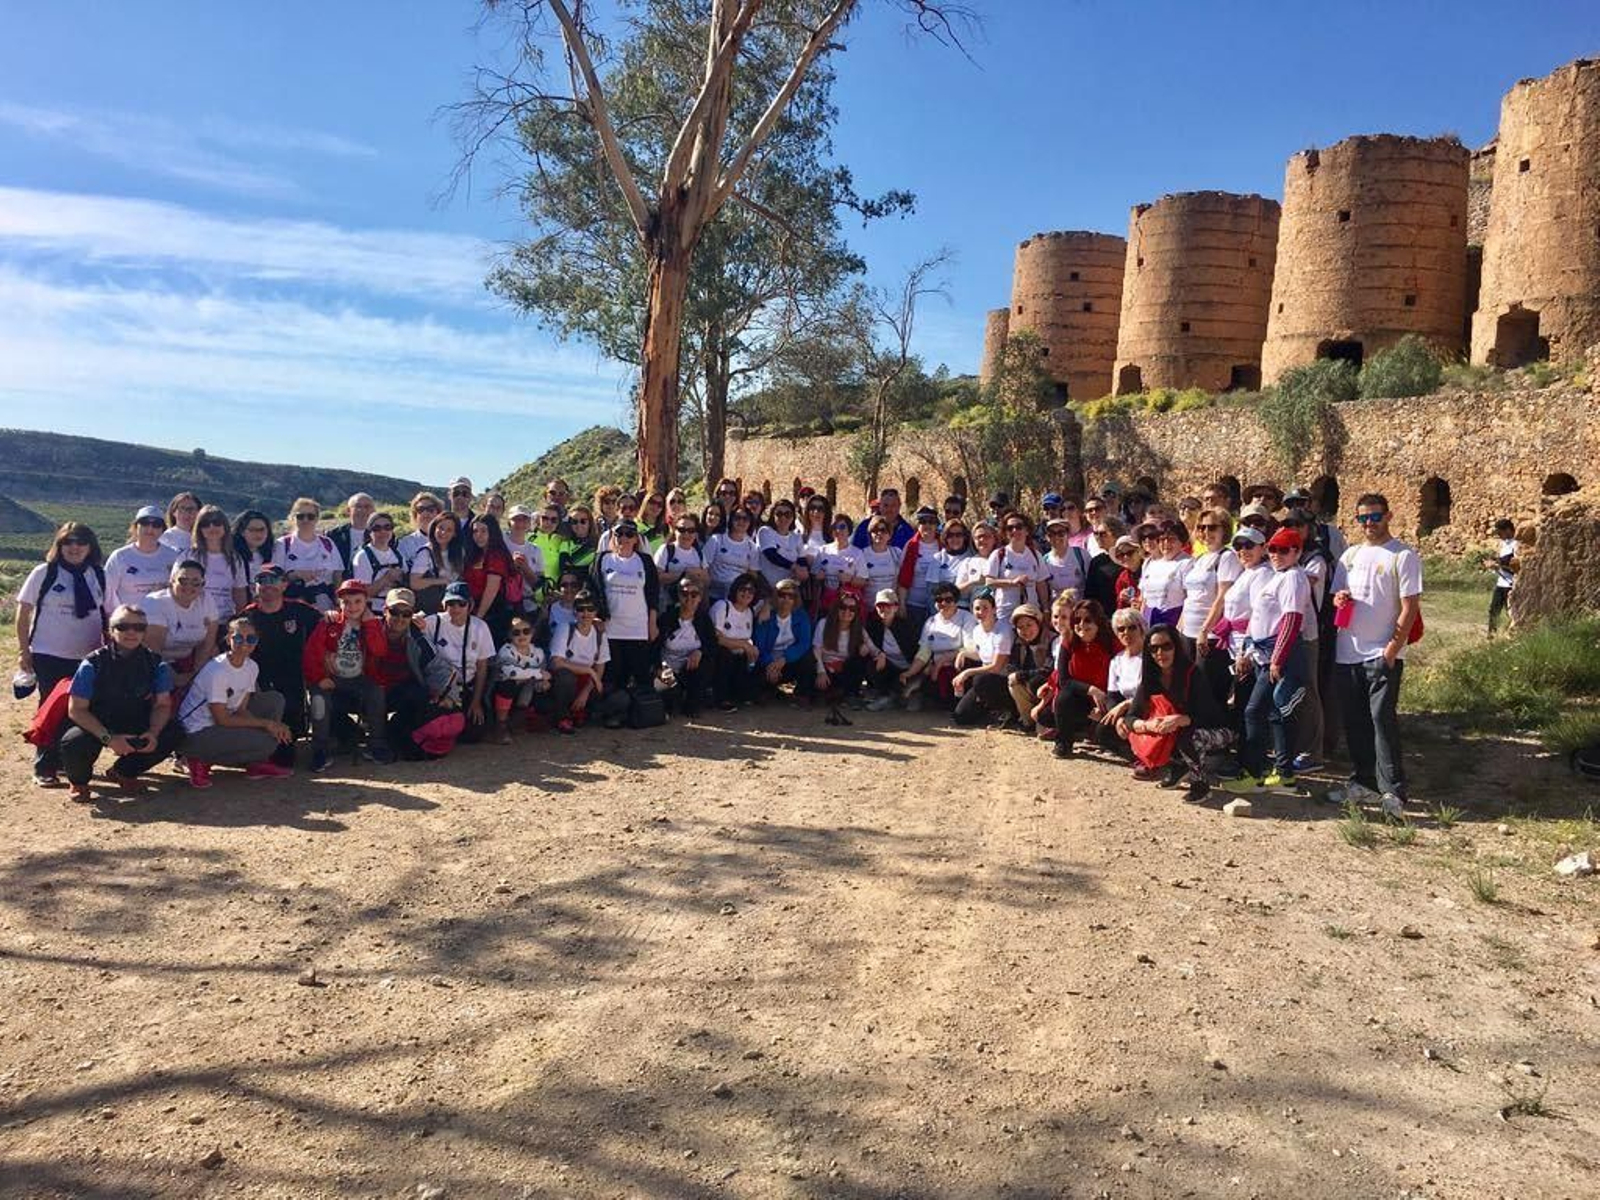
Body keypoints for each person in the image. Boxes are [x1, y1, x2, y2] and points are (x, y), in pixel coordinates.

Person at [1329, 494, 1422, 818]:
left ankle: (1393, 791)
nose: (1369, 524)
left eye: (1375, 517)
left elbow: (1410, 605)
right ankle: (1364, 780)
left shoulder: (1403, 555)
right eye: (1362, 518)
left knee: (1382, 722)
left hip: (1380, 652)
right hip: (1348, 652)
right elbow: (1336, 598)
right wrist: (1339, 599)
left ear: (1389, 515)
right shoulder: (1350, 556)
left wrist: (1393, 648)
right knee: (1355, 723)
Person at [56, 604, 182, 802]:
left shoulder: (157, 664)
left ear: (145, 632)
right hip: (99, 722)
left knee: (174, 732)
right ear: (111, 630)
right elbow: (77, 710)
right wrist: (109, 738)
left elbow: (162, 705)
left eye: (139, 627)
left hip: (135, 718)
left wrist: (154, 733)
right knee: (74, 741)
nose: (131, 632)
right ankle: (79, 782)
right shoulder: (91, 664)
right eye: (123, 626)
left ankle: (124, 772)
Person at [1224, 527, 1314, 795]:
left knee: (1268, 711)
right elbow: (1259, 619)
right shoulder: (1279, 577)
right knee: (1272, 713)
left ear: (1297, 552)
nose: (1276, 554)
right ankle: (1277, 773)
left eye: (1284, 550)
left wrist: (1277, 659)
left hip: (1280, 653)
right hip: (1266, 653)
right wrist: (1248, 651)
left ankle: (1261, 772)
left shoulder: (1293, 579)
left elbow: (1291, 620)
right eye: (1273, 549)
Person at [16, 522, 107, 787]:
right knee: (51, 708)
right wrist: (24, 651)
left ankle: (69, 760)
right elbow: (23, 614)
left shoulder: (98, 575)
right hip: (49, 653)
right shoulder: (44, 573)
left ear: (90, 546)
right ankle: (45, 764)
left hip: (88, 656)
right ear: (59, 545)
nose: (74, 547)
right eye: (68, 542)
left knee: (79, 709)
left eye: (81, 542)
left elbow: (106, 612)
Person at [177, 616, 295, 787]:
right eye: (238, 638)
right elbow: (222, 719)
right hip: (196, 732)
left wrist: (265, 726)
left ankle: (256, 763)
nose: (244, 643)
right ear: (228, 639)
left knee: (274, 700)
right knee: (267, 741)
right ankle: (197, 759)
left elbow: (241, 708)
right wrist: (267, 724)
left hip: (220, 723)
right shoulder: (218, 671)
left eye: (251, 639)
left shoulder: (251, 666)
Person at [1125, 624, 1235, 801]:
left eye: (1166, 646)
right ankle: (1178, 767)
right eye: (1154, 648)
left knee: (1188, 736)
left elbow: (1210, 715)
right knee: (1155, 729)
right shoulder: (1150, 680)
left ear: (1176, 646)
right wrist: (1146, 725)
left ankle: (1200, 785)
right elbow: (1131, 718)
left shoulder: (1192, 674)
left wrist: (1181, 719)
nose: (1160, 653)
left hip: (1215, 731)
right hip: (1178, 731)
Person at [302, 579, 392, 770]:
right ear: (339, 603)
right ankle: (320, 750)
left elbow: (380, 651)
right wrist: (319, 677)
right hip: (331, 678)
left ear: (366, 601)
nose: (352, 607)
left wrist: (370, 625)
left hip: (359, 679)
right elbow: (312, 653)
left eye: (358, 601)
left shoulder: (372, 623)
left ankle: (376, 744)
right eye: (347, 602)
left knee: (376, 691)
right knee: (318, 699)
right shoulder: (329, 623)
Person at [241, 564, 323, 768]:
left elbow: (325, 624)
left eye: (274, 580)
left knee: (287, 754)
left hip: (293, 679)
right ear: (255, 587)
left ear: (284, 584)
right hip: (259, 682)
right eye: (262, 581)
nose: (268, 585)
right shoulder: (247, 617)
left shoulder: (299, 609)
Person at [370, 588, 458, 758]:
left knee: (420, 695)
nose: (400, 618)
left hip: (400, 693)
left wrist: (447, 697)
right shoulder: (370, 630)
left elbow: (438, 668)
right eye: (395, 612)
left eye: (406, 613)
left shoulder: (417, 638)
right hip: (369, 689)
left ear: (412, 615)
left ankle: (392, 735)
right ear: (384, 611)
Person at [588, 519, 661, 706]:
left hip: (638, 627)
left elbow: (653, 594)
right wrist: (598, 618)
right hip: (611, 628)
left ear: (636, 538)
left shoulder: (644, 561)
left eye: (629, 534)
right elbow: (594, 591)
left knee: (640, 674)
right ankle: (613, 711)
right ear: (612, 536)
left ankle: (642, 711)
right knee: (613, 674)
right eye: (619, 534)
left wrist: (652, 623)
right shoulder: (602, 559)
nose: (624, 538)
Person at [422, 581, 495, 742]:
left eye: (461, 604)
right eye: (451, 603)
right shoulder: (433, 622)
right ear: (443, 604)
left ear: (470, 605)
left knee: (475, 733)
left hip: (466, 687)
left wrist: (476, 702)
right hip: (440, 688)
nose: (455, 609)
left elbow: (482, 667)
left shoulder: (480, 627)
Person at [1042, 597, 1115, 758]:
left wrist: (1104, 699)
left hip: (1107, 698)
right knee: (1060, 702)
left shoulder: (1111, 642)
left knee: (1106, 732)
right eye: (1077, 620)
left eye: (1088, 620)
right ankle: (1064, 743)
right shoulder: (1068, 641)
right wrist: (1092, 691)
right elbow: (1064, 680)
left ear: (1098, 621)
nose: (1081, 625)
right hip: (1083, 698)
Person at [144, 559, 220, 690]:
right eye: (183, 581)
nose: (189, 586)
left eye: (196, 583)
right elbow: (153, 651)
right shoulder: (156, 603)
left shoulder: (207, 599)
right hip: (156, 662)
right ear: (172, 580)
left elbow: (208, 644)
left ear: (203, 585)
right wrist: (175, 679)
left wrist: (195, 675)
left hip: (189, 661)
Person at [901, 582, 973, 708]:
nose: (943, 604)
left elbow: (969, 648)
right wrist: (910, 672)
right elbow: (924, 652)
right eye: (939, 600)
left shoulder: (966, 618)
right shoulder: (931, 621)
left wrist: (941, 662)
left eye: (948, 600)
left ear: (956, 601)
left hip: (957, 664)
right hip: (934, 666)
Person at [548, 590, 611, 734]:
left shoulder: (600, 633)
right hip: (567, 682)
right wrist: (589, 671)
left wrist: (586, 692)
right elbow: (556, 663)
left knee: (620, 698)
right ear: (574, 612)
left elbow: (600, 667)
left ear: (596, 612)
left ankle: (584, 713)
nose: (586, 613)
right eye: (581, 609)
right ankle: (563, 717)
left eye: (590, 609)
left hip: (587, 683)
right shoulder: (565, 628)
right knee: (565, 676)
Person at [951, 589, 1014, 726]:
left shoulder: (1003, 630)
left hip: (1003, 680)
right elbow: (981, 654)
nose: (981, 612)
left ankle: (1006, 711)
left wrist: (967, 673)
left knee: (980, 679)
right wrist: (963, 653)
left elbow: (996, 667)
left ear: (994, 609)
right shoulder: (977, 630)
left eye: (985, 608)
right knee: (960, 717)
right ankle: (988, 710)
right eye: (977, 608)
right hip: (986, 678)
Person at [657, 578, 716, 717]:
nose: (689, 598)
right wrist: (659, 668)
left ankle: (692, 706)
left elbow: (712, 645)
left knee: (706, 664)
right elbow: (653, 648)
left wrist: (700, 652)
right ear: (678, 596)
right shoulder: (666, 618)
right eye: (684, 594)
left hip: (690, 669)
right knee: (667, 699)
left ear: (700, 598)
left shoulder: (703, 620)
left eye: (694, 594)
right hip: (666, 668)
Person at [104, 506, 182, 611]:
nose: (150, 529)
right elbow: (108, 592)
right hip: (129, 622)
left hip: (163, 620)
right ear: (136, 527)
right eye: (145, 523)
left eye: (156, 525)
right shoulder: (120, 557)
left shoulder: (173, 556)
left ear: (163, 529)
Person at [754, 579, 816, 701]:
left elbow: (804, 643)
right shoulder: (766, 615)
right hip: (768, 661)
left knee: (808, 658)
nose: (786, 599)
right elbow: (759, 645)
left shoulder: (801, 616)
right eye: (782, 595)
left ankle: (802, 693)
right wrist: (770, 663)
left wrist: (785, 658)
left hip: (789, 660)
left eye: (791, 596)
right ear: (776, 596)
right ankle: (769, 690)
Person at [490, 616, 550, 743]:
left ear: (532, 632)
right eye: (516, 632)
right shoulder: (506, 651)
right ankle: (501, 725)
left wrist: (543, 682)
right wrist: (539, 674)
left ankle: (521, 718)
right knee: (508, 684)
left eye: (526, 631)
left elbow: (543, 675)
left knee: (545, 688)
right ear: (510, 635)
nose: (522, 635)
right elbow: (512, 673)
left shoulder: (539, 652)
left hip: (526, 693)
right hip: (502, 692)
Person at [276, 498, 342, 612]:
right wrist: (295, 575)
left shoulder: (327, 543)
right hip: (294, 604)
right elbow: (275, 577)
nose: (305, 520)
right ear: (292, 518)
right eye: (300, 516)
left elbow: (337, 574)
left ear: (317, 519)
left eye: (310, 516)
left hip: (325, 604)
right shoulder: (282, 544)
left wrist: (339, 601)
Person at [813, 592, 871, 720]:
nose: (847, 611)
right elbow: (816, 649)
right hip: (824, 668)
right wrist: (821, 671)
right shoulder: (823, 624)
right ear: (836, 608)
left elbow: (873, 648)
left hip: (843, 670)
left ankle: (850, 694)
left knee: (861, 658)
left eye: (852, 609)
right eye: (843, 607)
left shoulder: (858, 629)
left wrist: (879, 654)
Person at [709, 572, 761, 710]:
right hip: (720, 654)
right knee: (724, 655)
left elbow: (746, 638)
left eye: (751, 590)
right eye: (742, 589)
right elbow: (717, 638)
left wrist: (750, 648)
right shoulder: (722, 606)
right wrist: (744, 645)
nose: (746, 593)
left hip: (740, 655)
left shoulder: (749, 612)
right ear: (735, 589)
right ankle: (721, 699)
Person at [463, 514, 516, 646]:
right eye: (475, 531)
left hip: (493, 614)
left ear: (492, 532)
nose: (478, 535)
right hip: (473, 609)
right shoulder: (477, 554)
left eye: (483, 531)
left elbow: (491, 590)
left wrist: (478, 619)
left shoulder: (496, 555)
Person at [861, 588, 918, 710]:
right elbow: (868, 646)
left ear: (896, 607)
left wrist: (911, 672)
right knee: (870, 663)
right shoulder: (872, 626)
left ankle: (905, 695)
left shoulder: (907, 626)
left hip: (909, 669)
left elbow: (918, 652)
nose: (883, 609)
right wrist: (879, 654)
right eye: (880, 605)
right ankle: (883, 695)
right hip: (889, 666)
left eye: (888, 605)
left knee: (908, 700)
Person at [190, 505, 248, 621]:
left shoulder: (235, 559)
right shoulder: (189, 556)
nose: (212, 527)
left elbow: (239, 593)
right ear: (199, 529)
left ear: (225, 526)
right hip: (194, 621)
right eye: (206, 524)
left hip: (224, 621)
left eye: (217, 523)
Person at [1004, 602, 1053, 727]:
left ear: (1038, 623)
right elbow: (1011, 666)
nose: (1025, 630)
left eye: (1029, 625)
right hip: (1027, 688)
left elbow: (1048, 670)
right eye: (1020, 627)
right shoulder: (1019, 643)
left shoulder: (1051, 640)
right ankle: (1027, 721)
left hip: (1047, 690)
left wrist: (1022, 675)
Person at [897, 507, 944, 630]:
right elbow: (902, 577)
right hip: (914, 604)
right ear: (918, 525)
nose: (927, 525)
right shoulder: (911, 545)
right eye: (923, 521)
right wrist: (901, 604)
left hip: (938, 604)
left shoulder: (943, 545)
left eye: (931, 522)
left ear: (937, 525)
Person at [351, 511, 406, 614]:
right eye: (377, 528)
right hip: (373, 612)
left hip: (397, 611)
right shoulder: (362, 556)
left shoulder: (398, 554)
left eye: (387, 527)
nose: (383, 531)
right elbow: (364, 594)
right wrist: (386, 578)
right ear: (369, 531)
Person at [409, 512, 463, 615]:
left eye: (449, 530)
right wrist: (440, 581)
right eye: (441, 528)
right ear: (434, 528)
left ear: (455, 534)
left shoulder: (458, 553)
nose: (443, 532)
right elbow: (414, 583)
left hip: (451, 609)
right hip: (430, 611)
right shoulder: (425, 553)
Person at [1140, 519, 1192, 628]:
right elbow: (1145, 598)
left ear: (1181, 541)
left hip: (1173, 619)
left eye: (1171, 539)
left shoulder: (1187, 563)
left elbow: (1189, 598)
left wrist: (1180, 625)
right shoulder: (1150, 563)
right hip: (1149, 618)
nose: (1166, 544)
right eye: (1162, 539)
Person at [706, 506, 761, 602]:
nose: (741, 521)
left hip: (738, 595)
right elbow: (704, 567)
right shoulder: (717, 539)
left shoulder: (752, 547)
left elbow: (752, 575)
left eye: (745, 519)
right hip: (715, 592)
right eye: (737, 518)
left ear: (750, 522)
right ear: (731, 520)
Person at [811, 513, 861, 614]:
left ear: (849, 530)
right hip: (825, 602)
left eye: (842, 527)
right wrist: (817, 576)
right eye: (835, 527)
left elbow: (864, 580)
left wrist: (851, 579)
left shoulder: (857, 553)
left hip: (847, 605)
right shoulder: (823, 550)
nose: (838, 530)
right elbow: (813, 575)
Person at [756, 499, 807, 594]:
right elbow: (771, 555)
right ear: (772, 515)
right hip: (767, 588)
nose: (783, 518)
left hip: (789, 589)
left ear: (793, 517)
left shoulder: (796, 537)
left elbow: (801, 560)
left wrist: (803, 571)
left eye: (787, 514)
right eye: (779, 514)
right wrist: (793, 567)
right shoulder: (765, 531)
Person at [502, 506, 546, 617]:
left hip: (529, 607)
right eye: (516, 519)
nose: (520, 523)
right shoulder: (500, 542)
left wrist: (525, 568)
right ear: (509, 522)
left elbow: (538, 585)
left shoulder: (536, 550)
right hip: (503, 605)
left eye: (524, 519)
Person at [656, 513, 707, 606]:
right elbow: (657, 576)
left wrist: (698, 574)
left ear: (696, 533)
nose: (686, 534)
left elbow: (707, 579)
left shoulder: (699, 553)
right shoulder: (666, 549)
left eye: (691, 530)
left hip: (693, 606)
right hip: (667, 605)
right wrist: (683, 574)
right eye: (682, 530)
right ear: (675, 531)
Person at [1041, 517, 1089, 607]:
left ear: (1068, 534)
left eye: (1061, 533)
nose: (1056, 537)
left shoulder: (1081, 555)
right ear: (1047, 537)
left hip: (1079, 609)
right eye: (1052, 534)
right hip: (1058, 612)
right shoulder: (1044, 561)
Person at [856, 517, 904, 606]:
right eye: (875, 530)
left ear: (890, 534)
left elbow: (901, 582)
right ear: (870, 534)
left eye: (883, 530)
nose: (879, 533)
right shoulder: (862, 554)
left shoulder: (897, 553)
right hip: (868, 607)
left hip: (890, 608)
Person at [1484, 518, 1518, 635]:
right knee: (1494, 610)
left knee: (1512, 612)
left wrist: (1498, 565)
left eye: (1500, 533)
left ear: (1508, 530)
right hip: (1501, 583)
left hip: (1512, 583)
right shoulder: (1504, 544)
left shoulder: (1516, 544)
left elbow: (1514, 564)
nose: (1499, 536)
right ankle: (1491, 635)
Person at [328, 493, 376, 574]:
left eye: (367, 507)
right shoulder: (334, 535)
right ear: (348, 510)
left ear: (373, 511)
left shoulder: (382, 534)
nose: (362, 510)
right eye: (358, 506)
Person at [398, 492, 444, 569]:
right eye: (420, 509)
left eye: (430, 509)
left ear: (438, 513)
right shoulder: (405, 544)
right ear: (415, 515)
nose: (425, 513)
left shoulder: (448, 540)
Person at [560, 505, 600, 580]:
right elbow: (565, 569)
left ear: (590, 523)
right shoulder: (566, 544)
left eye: (583, 521)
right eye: (574, 522)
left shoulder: (598, 543)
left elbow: (599, 570)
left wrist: (575, 568)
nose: (579, 525)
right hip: (572, 587)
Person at [232, 509, 276, 575]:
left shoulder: (274, 554)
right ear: (242, 532)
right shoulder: (231, 555)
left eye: (262, 529)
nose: (258, 534)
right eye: (252, 530)